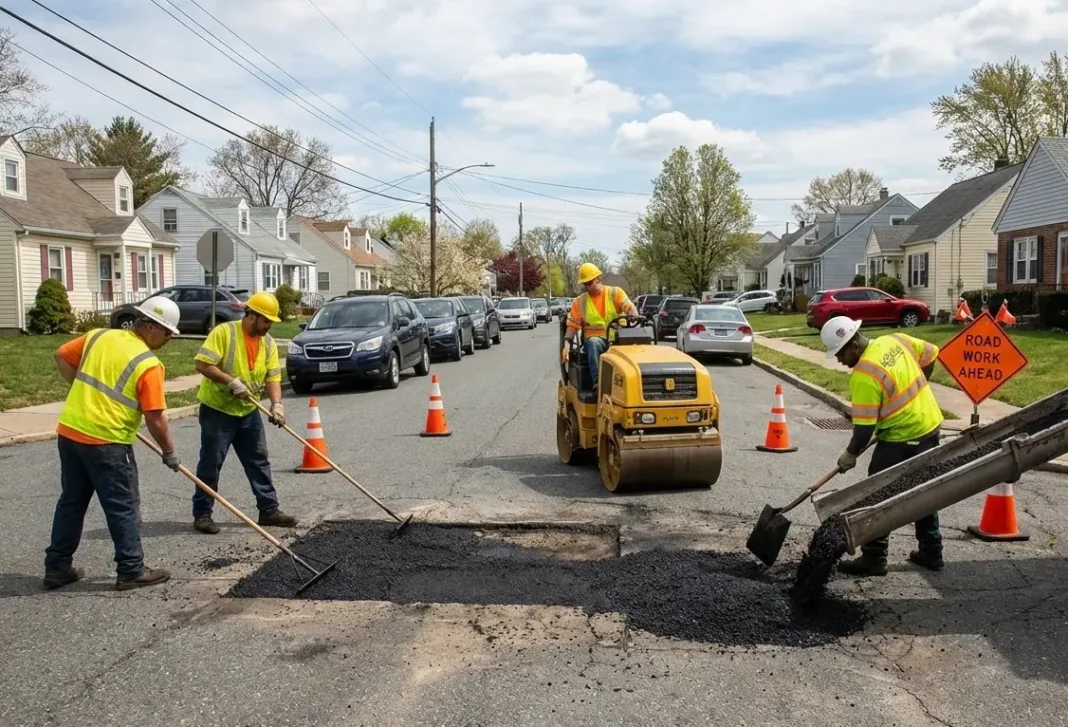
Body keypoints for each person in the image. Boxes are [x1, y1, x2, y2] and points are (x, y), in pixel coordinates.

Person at [43, 296, 182, 591]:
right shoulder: (148, 364)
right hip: (108, 442)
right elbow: (156, 418)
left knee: (71, 502)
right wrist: (169, 452)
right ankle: (131, 570)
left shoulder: (98, 336)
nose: (169, 339)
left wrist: (82, 392)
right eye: (168, 332)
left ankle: (57, 567)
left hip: (70, 433)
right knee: (123, 506)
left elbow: (61, 355)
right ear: (150, 327)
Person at [821, 315, 945, 576]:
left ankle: (874, 558)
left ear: (854, 344)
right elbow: (932, 354)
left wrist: (849, 455)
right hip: (930, 425)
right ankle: (931, 551)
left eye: (840, 354)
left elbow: (864, 430)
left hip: (903, 437)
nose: (840, 361)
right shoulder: (895, 340)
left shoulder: (864, 375)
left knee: (876, 494)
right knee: (924, 489)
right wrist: (921, 387)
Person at [191, 291, 296, 534]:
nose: (269, 326)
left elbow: (272, 376)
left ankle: (268, 510)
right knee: (211, 463)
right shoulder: (224, 333)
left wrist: (276, 404)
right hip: (218, 410)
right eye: (266, 320)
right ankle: (202, 514)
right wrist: (229, 381)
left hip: (248, 411)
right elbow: (202, 364)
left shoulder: (267, 342)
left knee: (258, 461)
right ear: (252, 316)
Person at [561, 263, 638, 389]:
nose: (589, 286)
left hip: (620, 339)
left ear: (598, 278)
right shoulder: (580, 302)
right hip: (597, 342)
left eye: (590, 282)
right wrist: (566, 345)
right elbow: (572, 326)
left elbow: (629, 306)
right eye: (586, 284)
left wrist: (633, 313)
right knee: (592, 343)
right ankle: (598, 383)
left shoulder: (615, 293)